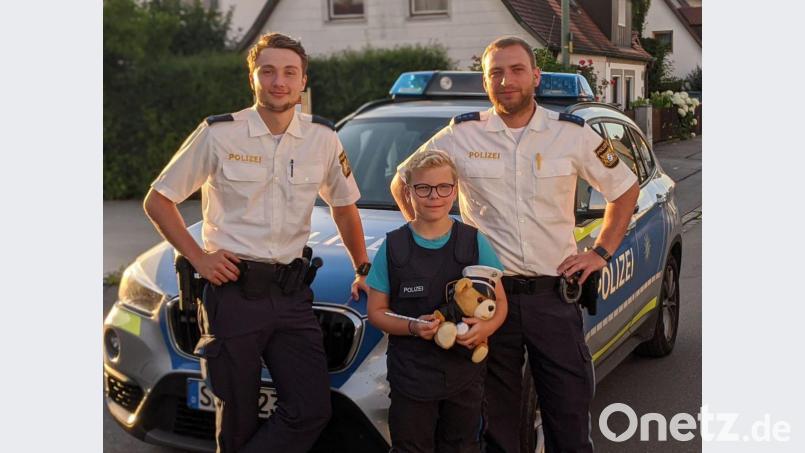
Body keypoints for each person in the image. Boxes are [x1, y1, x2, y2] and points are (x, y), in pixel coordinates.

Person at [390, 37, 640, 453]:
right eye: (496, 73)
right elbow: (403, 180)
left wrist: (599, 252)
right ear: (486, 81)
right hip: (490, 298)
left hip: (552, 297)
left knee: (569, 415)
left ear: (535, 76)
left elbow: (625, 189)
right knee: (497, 422)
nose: (506, 80)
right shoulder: (462, 135)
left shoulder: (571, 134)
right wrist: (435, 244)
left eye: (516, 70)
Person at [143, 32, 371, 453]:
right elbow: (158, 200)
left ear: (304, 80)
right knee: (237, 419)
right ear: (253, 78)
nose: (278, 81)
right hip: (232, 295)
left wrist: (362, 267)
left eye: (289, 72)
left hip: (292, 294)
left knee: (310, 409)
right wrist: (198, 258)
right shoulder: (219, 134)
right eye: (268, 71)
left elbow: (344, 205)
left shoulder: (323, 138)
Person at [366, 150, 508, 453]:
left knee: (462, 446)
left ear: (455, 191)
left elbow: (499, 303)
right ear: (408, 192)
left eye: (444, 187)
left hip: (463, 374)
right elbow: (376, 312)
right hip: (411, 376)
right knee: (411, 446)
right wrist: (414, 327)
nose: (435, 196)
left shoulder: (473, 241)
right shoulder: (393, 246)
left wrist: (486, 329)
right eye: (423, 188)